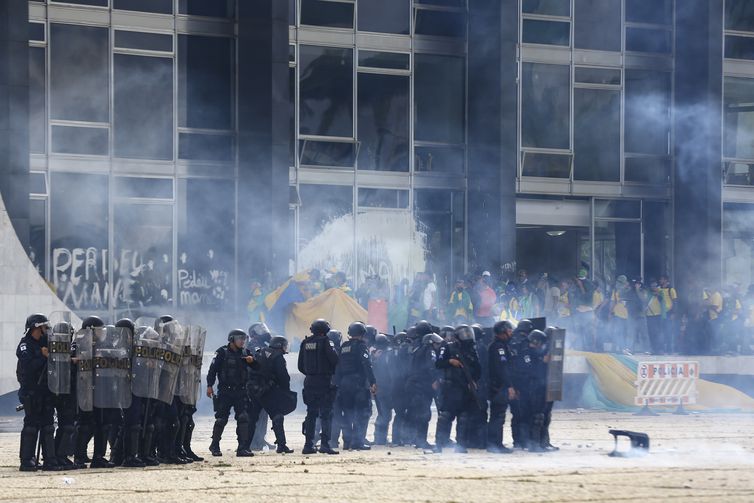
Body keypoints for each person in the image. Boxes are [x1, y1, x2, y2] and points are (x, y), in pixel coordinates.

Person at [17, 313, 61, 471]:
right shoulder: (25, 345)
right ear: (36, 327)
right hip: (31, 392)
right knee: (31, 427)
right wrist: (43, 357)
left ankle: (50, 459)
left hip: (46, 391)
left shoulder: (45, 343)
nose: (46, 329)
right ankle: (27, 459)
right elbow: (28, 367)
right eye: (43, 326)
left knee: (48, 427)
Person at [207, 329, 255, 457]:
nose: (242, 341)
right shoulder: (221, 352)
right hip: (225, 391)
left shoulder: (246, 353)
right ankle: (215, 445)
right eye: (240, 338)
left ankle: (242, 447)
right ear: (232, 339)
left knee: (243, 417)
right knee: (221, 419)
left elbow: (257, 368)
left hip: (241, 391)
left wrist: (253, 362)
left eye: (244, 338)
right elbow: (212, 370)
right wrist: (209, 385)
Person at [434, 325, 482, 453]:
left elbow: (477, 369)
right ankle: (439, 444)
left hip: (465, 389)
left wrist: (473, 381)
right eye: (464, 334)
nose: (467, 336)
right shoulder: (448, 346)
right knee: (445, 417)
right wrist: (450, 361)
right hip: (451, 388)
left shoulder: (472, 349)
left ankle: (460, 446)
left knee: (464, 418)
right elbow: (438, 364)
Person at [245, 336, 295, 454]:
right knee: (277, 416)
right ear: (279, 345)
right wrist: (285, 390)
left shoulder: (261, 351)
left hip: (254, 390)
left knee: (252, 418)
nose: (285, 347)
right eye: (284, 345)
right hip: (267, 391)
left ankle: (245, 445)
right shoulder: (278, 357)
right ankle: (282, 445)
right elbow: (283, 377)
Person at [298, 319, 340, 454]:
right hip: (324, 382)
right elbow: (335, 360)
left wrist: (311, 374)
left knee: (311, 414)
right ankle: (325, 444)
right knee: (326, 414)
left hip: (310, 382)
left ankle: (308, 445)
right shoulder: (326, 342)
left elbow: (300, 365)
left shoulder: (305, 343)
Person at [335, 322, 377, 451]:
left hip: (344, 384)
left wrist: (339, 383)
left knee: (347, 413)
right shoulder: (362, 346)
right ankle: (357, 442)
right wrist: (372, 382)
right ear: (362, 333)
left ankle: (347, 442)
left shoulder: (343, 347)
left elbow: (339, 367)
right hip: (358, 384)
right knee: (362, 413)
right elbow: (367, 364)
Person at [405, 332, 442, 450]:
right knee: (424, 414)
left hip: (414, 385)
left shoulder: (417, 350)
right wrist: (435, 379)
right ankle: (421, 441)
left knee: (417, 413)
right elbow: (431, 365)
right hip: (422, 386)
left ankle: (416, 439)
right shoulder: (428, 350)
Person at [486, 320, 515, 454]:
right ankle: (494, 444)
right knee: (498, 416)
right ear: (502, 331)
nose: (511, 333)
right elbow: (502, 369)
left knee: (499, 416)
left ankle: (496, 443)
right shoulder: (498, 347)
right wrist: (509, 386)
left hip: (499, 386)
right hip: (498, 387)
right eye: (509, 330)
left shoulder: (502, 345)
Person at [371, 333, 394, 445]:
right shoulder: (382, 356)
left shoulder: (374, 355)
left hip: (380, 388)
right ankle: (379, 439)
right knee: (384, 414)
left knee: (384, 414)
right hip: (383, 388)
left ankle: (381, 438)